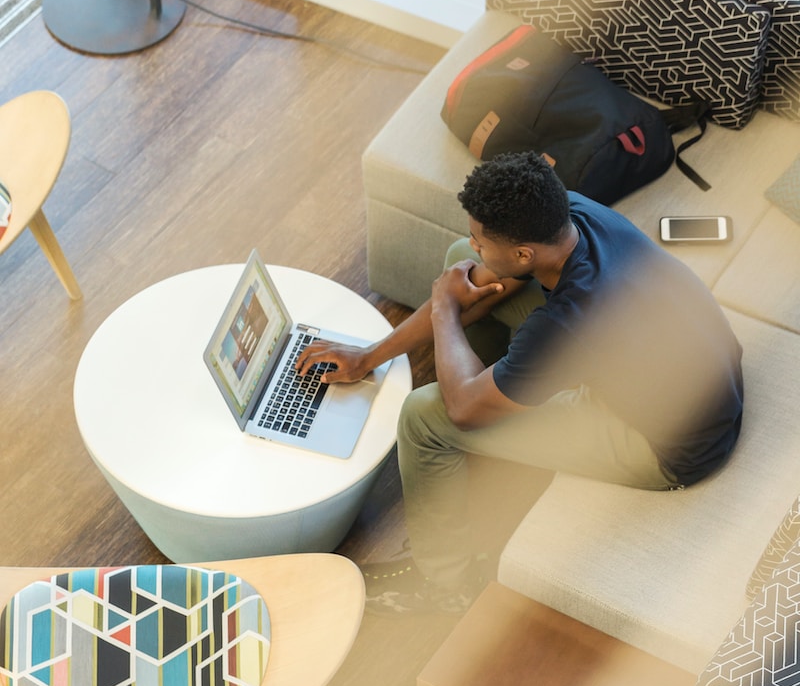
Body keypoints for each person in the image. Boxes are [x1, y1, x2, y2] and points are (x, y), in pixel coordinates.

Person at [296, 151, 744, 614]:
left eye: (481, 240)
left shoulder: (572, 318)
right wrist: (369, 356)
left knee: (424, 417)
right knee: (458, 265)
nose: (475, 246)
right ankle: (499, 388)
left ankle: (444, 584)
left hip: (667, 446)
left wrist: (445, 309)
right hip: (697, 376)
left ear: (525, 253)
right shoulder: (570, 214)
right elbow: (479, 275)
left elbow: (462, 409)